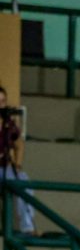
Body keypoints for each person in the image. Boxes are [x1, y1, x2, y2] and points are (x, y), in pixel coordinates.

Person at [0, 86, 35, 234]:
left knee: (23, 181)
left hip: (5, 168)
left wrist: (18, 164)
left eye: (3, 101)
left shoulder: (8, 123)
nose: (1, 105)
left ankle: (27, 227)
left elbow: (19, 143)